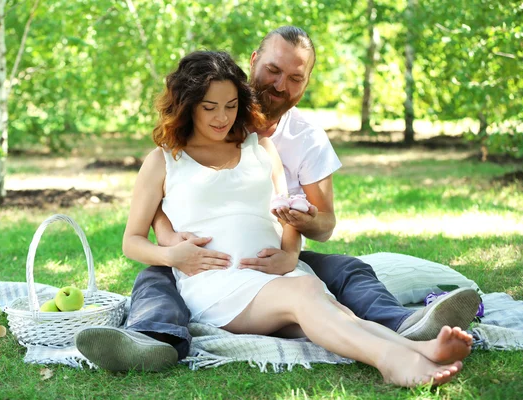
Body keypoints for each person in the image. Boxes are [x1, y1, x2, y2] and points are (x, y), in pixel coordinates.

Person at [75, 26, 481, 375]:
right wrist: (173, 254)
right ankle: (393, 363)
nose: (221, 117)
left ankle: (418, 347)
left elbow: (286, 211)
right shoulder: (163, 161)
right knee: (305, 295)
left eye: (231, 107)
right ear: (188, 106)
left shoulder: (261, 147)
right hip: (217, 282)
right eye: (209, 107)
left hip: (274, 275)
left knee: (332, 309)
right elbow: (132, 239)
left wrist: (290, 254)